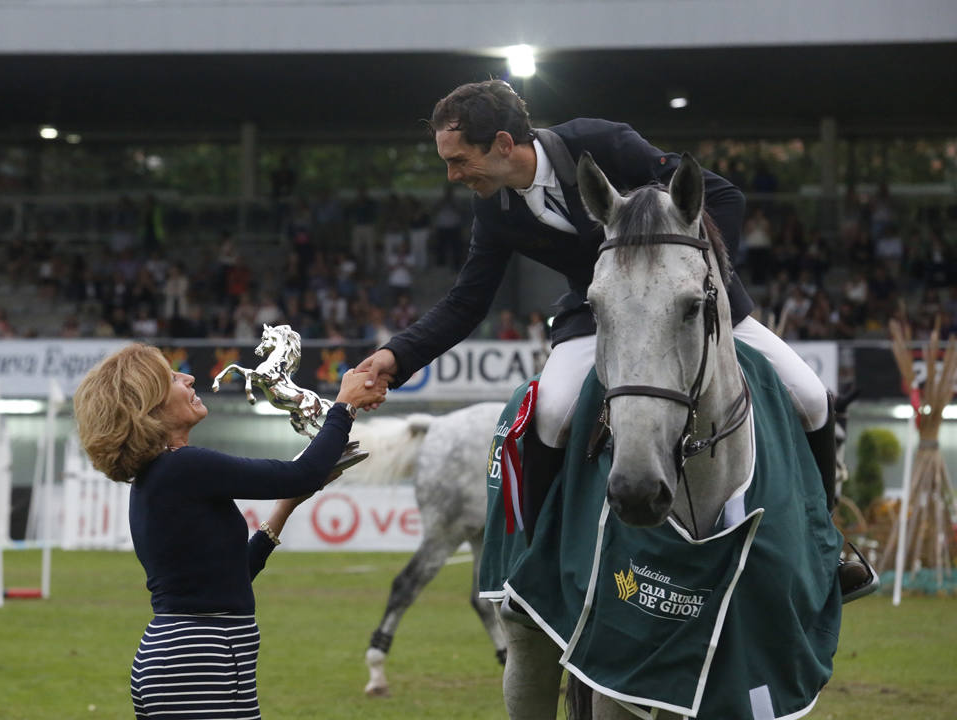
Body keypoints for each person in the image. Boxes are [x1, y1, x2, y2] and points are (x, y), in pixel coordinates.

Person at [355, 79, 871, 599]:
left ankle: (825, 548)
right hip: (596, 313)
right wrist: (394, 356)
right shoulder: (494, 209)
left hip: (689, 305)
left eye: (459, 160)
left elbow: (721, 196)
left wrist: (696, 284)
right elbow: (467, 302)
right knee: (552, 412)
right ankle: (543, 561)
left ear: (504, 145)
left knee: (810, 398)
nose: (453, 175)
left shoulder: (603, 143)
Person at [73, 343, 387, 719]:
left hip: (187, 661)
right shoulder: (183, 467)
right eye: (173, 378)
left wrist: (285, 509)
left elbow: (229, 579)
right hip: (201, 663)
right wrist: (344, 405)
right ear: (149, 404)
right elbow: (300, 474)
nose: (189, 378)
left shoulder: (160, 477)